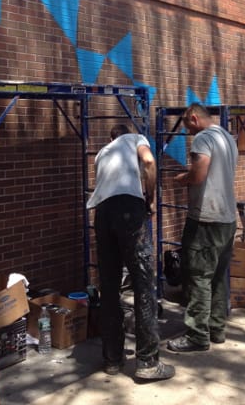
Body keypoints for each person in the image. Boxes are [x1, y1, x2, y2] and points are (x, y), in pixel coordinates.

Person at [87, 123, 175, 381]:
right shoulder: (135, 138)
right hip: (129, 209)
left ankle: (112, 359)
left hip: (102, 214)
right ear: (127, 134)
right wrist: (150, 197)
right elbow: (148, 161)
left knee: (109, 287)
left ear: (110, 136)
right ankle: (147, 362)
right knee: (143, 284)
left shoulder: (102, 153)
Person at [167, 103, 238, 353]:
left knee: (198, 276)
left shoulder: (203, 139)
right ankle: (216, 328)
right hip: (227, 218)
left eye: (187, 128)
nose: (188, 134)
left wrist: (183, 178)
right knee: (218, 276)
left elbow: (199, 174)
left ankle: (197, 334)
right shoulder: (227, 138)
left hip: (206, 218)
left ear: (194, 118)